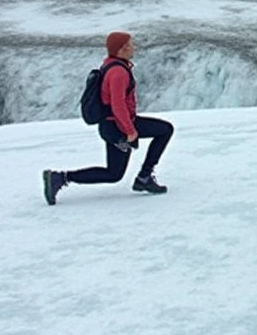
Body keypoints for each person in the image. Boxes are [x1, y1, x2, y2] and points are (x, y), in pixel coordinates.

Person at [42, 32, 174, 205]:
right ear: (122, 49)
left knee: (116, 171)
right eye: (131, 44)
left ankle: (60, 178)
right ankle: (143, 177)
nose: (133, 47)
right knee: (116, 172)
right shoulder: (119, 72)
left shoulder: (111, 65)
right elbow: (117, 105)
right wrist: (130, 131)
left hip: (111, 125)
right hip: (118, 127)